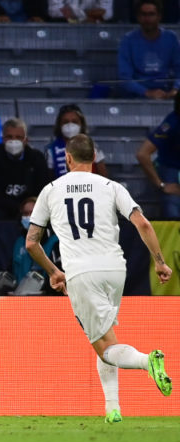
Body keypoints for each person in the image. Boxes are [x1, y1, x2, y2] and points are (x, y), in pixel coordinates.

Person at [26, 133, 172, 424]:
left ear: (67, 158)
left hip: (82, 272)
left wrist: (54, 271)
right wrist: (160, 262)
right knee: (107, 337)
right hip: (115, 270)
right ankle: (113, 409)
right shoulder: (111, 186)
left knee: (104, 348)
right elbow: (142, 223)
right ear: (94, 158)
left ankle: (147, 361)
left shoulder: (51, 190)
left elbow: (31, 242)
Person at [0, 118, 48, 220]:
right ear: (3, 139)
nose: (13, 141)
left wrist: (29, 205)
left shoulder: (37, 158)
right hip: (0, 208)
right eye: (9, 137)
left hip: (30, 207)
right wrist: (18, 207)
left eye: (18, 137)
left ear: (26, 140)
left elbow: (42, 189)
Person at [117, 0, 180, 100]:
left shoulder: (171, 38)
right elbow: (124, 78)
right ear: (138, 17)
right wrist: (146, 92)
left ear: (159, 16)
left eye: (151, 14)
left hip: (166, 92)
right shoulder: (128, 40)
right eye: (143, 14)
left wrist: (176, 89)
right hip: (137, 95)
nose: (147, 19)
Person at [136, 92, 180, 218]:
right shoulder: (172, 123)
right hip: (172, 168)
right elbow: (142, 154)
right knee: (173, 210)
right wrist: (161, 184)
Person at [45, 104, 108, 179]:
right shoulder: (51, 150)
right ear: (59, 125)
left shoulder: (92, 146)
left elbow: (103, 176)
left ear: (81, 124)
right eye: (65, 122)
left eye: (74, 122)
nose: (70, 125)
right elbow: (49, 179)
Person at [47, 0, 112, 22]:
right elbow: (54, 11)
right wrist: (88, 15)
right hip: (63, 30)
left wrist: (72, 13)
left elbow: (106, 13)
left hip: (94, 30)